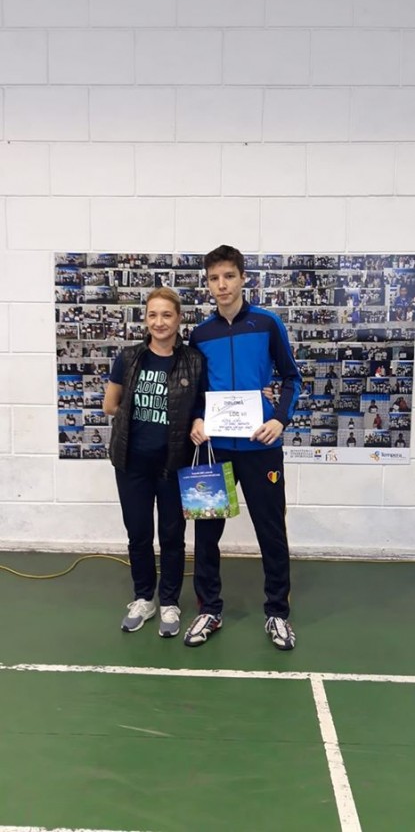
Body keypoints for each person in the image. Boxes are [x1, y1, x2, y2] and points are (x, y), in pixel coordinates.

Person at [186, 245, 302, 652]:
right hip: (215, 450)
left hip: (260, 447)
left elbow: (291, 377)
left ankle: (277, 613)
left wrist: (279, 419)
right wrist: (197, 420)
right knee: (207, 532)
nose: (222, 285)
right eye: (214, 278)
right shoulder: (201, 334)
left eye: (229, 276)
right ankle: (210, 609)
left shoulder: (267, 323)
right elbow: (197, 390)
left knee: (271, 531)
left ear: (243, 278)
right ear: (208, 284)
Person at [103, 287, 205, 639]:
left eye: (166, 315)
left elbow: (203, 404)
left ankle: (170, 602)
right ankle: (143, 598)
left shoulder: (194, 361)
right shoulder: (129, 358)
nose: (159, 322)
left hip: (175, 464)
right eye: (152, 315)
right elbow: (110, 405)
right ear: (145, 319)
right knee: (139, 534)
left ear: (179, 319)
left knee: (173, 536)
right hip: (131, 463)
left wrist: (197, 420)